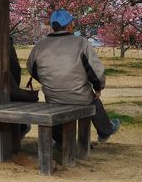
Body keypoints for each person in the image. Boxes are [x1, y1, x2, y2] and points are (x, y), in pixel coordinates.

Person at [27, 9, 120, 144]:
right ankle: (106, 131)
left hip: (53, 96)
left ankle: (60, 140)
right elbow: (95, 70)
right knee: (93, 99)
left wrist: (48, 81)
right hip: (80, 96)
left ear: (53, 26)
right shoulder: (80, 43)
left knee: (56, 106)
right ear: (70, 25)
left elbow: (32, 68)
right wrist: (98, 88)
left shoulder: (40, 45)